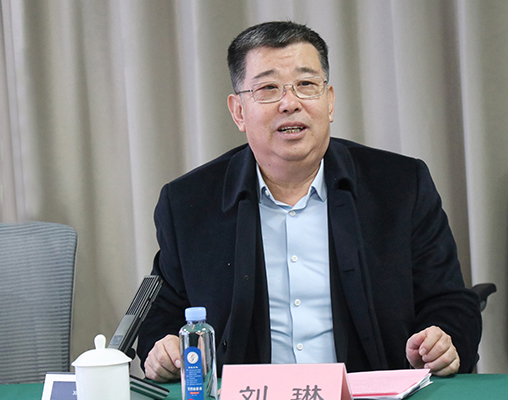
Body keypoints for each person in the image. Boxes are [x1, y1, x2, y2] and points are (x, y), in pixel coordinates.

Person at [137, 21, 482, 382]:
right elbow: (162, 315)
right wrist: (162, 348)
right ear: (239, 111)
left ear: (329, 101)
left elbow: (450, 301)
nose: (290, 103)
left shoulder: (399, 186)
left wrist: (444, 340)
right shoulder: (188, 203)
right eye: (268, 88)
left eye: (306, 84)